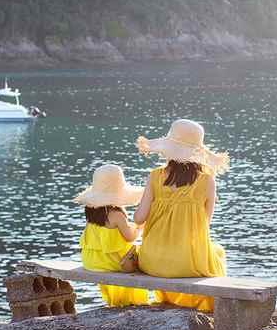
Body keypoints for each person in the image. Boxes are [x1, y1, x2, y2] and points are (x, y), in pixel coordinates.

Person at [133, 119, 228, 312]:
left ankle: (170, 303)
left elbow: (138, 218)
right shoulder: (207, 181)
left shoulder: (154, 176)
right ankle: (198, 308)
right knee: (217, 252)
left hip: (152, 262)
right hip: (188, 263)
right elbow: (204, 225)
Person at [72, 164, 150, 307]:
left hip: (91, 260)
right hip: (110, 262)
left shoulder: (91, 210)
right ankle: (133, 303)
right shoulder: (116, 214)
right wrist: (141, 227)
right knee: (142, 254)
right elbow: (130, 237)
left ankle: (115, 302)